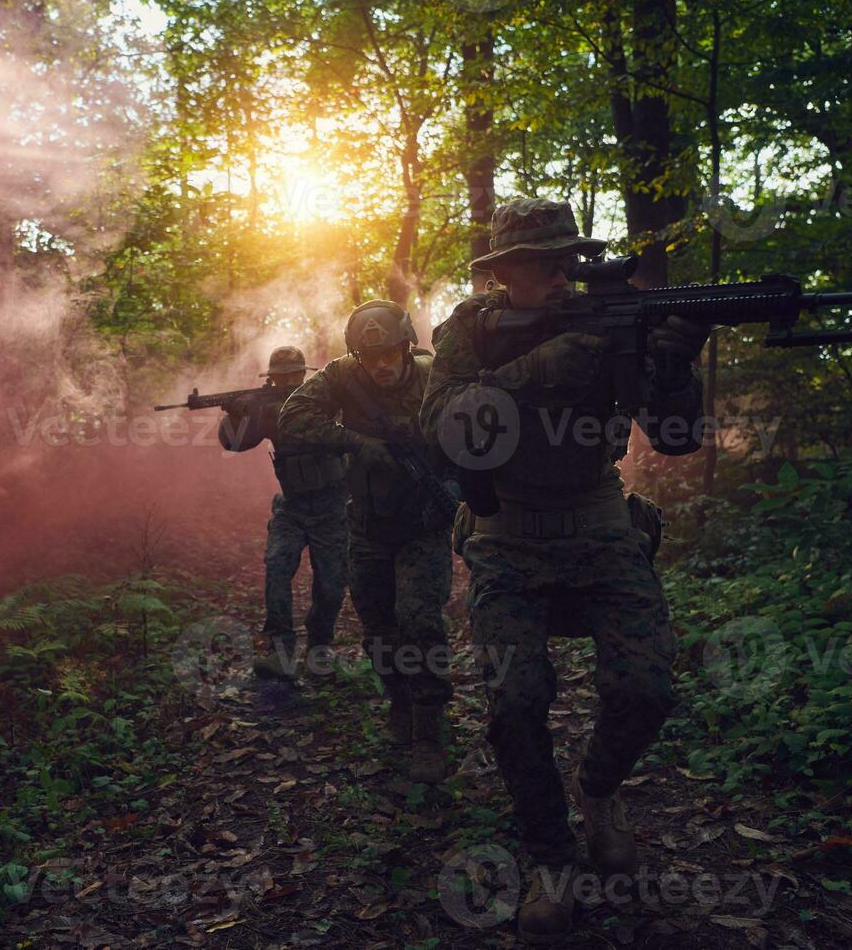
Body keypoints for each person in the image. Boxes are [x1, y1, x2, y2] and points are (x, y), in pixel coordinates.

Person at [420, 197, 709, 941]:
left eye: (565, 263)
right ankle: (552, 860)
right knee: (515, 704)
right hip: (505, 535)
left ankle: (599, 791)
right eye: (537, 265)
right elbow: (439, 425)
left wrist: (674, 367)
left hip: (598, 523)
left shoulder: (608, 323)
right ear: (502, 274)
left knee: (644, 688)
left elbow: (674, 437)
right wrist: (535, 367)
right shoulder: (468, 332)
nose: (556, 277)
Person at [277, 303, 455, 783]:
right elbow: (293, 416)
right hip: (370, 524)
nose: (379, 365)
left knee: (419, 619)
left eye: (388, 353)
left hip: (424, 521)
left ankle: (429, 729)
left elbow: (473, 437)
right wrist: (355, 442)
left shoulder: (434, 376)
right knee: (377, 623)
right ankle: (399, 700)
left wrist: (456, 493)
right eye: (369, 355)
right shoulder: (342, 375)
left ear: (405, 346)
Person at [220, 346, 348, 684]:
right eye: (282, 377)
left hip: (332, 505)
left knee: (332, 585)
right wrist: (237, 415)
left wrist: (271, 411)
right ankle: (280, 650)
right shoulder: (265, 408)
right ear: (273, 378)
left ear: (304, 375)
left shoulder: (325, 399)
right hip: (291, 505)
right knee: (277, 568)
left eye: (295, 375)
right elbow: (234, 444)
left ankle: (320, 649)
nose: (289, 381)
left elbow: (331, 426)